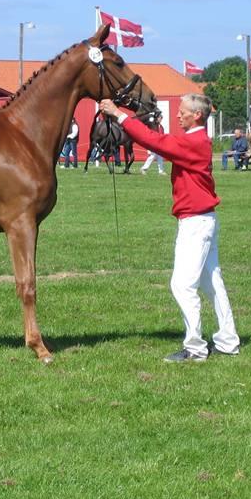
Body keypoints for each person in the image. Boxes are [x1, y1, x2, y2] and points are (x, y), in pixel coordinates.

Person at [100, 94, 240, 362]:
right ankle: (227, 341)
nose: (177, 115)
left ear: (197, 115)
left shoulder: (194, 141)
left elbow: (155, 141)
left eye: (182, 111)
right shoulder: (198, 140)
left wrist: (119, 115)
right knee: (212, 284)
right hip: (204, 219)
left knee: (182, 285)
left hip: (196, 223)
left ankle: (195, 348)